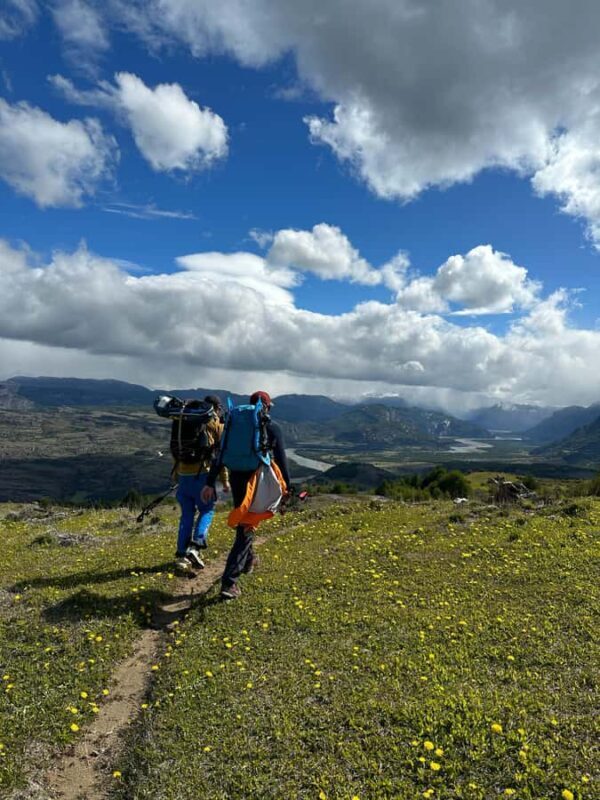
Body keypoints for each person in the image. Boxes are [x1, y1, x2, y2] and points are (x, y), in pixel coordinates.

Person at [202, 390, 290, 600]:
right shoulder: (271, 426)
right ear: (265, 407)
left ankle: (249, 560)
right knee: (247, 528)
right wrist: (288, 487)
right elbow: (281, 458)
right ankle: (229, 583)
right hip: (256, 480)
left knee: (245, 521)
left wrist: (209, 482)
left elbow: (219, 454)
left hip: (236, 477)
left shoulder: (233, 425)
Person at [174, 395, 230, 571]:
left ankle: (182, 554)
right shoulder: (215, 424)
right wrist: (225, 481)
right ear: (216, 408)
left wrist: (176, 475)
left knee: (187, 515)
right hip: (203, 476)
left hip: (183, 474)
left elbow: (176, 450)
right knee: (207, 510)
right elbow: (220, 456)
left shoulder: (185, 420)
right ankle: (196, 546)